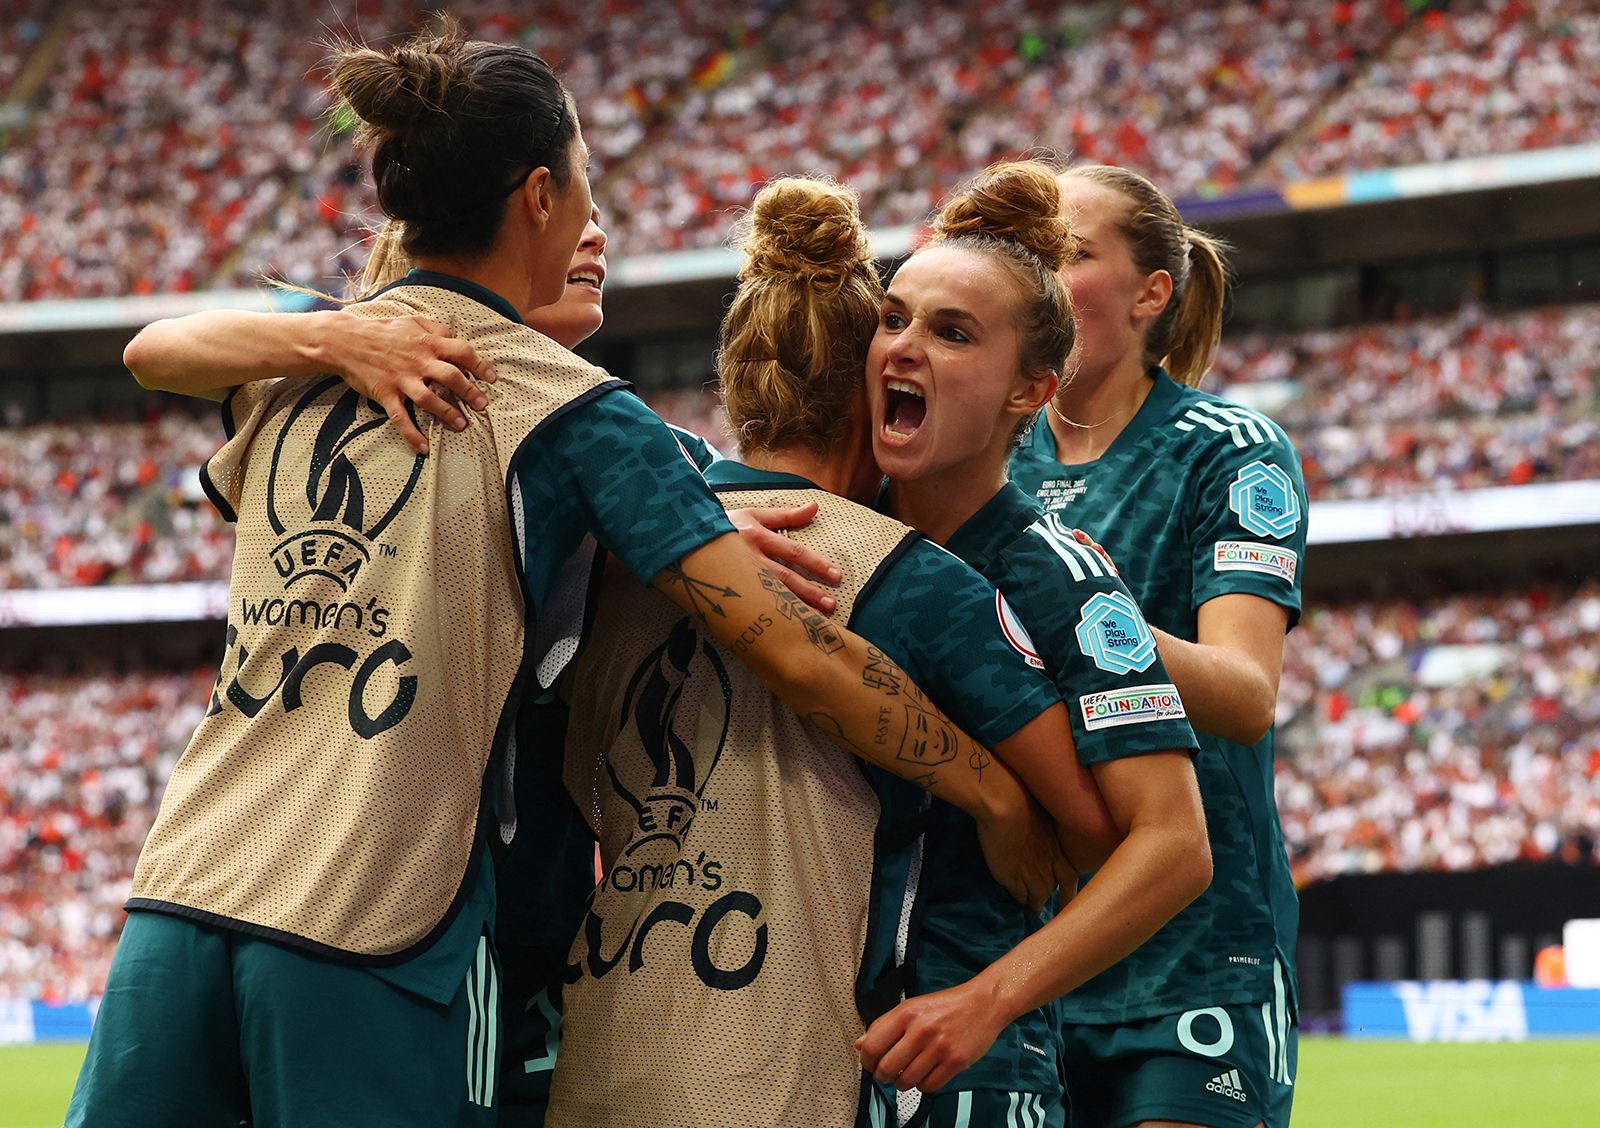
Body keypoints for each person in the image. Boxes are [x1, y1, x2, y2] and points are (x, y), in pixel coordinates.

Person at [67, 22, 1022, 1128]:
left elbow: (157, 351)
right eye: (583, 179)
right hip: (371, 906)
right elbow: (794, 652)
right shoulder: (575, 412)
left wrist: (330, 338)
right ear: (536, 194)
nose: (590, 214)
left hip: (182, 884)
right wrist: (987, 785)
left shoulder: (303, 370)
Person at [537, 176, 1117, 1128]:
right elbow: (1089, 835)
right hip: (783, 1063)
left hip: (602, 1043)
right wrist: (1003, 800)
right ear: (867, 382)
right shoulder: (910, 576)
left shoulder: (619, 547)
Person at [851, 161, 1213, 1127]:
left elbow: (1175, 848)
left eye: (952, 332)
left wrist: (989, 1000)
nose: (905, 347)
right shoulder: (824, 527)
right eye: (893, 319)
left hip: (971, 1075)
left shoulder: (1062, 574)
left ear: (1031, 389)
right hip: (795, 1057)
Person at [1003, 164, 1308, 1128]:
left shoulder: (1228, 448)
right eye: (1033, 255)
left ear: (1151, 293)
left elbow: (1248, 691)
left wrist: (1074, 615)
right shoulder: (988, 456)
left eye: (1073, 254)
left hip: (1196, 960)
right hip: (1027, 952)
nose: (1044, 276)